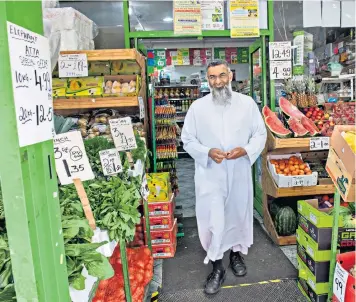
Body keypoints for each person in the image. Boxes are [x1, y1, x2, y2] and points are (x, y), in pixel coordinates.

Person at [181, 60, 267, 295]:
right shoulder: (197, 108)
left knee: (238, 214)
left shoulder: (247, 104)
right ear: (207, 80)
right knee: (214, 217)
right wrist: (207, 152)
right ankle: (217, 266)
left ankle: (236, 255)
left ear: (230, 76)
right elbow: (187, 139)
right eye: (212, 77)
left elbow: (260, 134)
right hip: (210, 174)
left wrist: (246, 150)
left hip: (238, 170)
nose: (217, 81)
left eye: (221, 76)